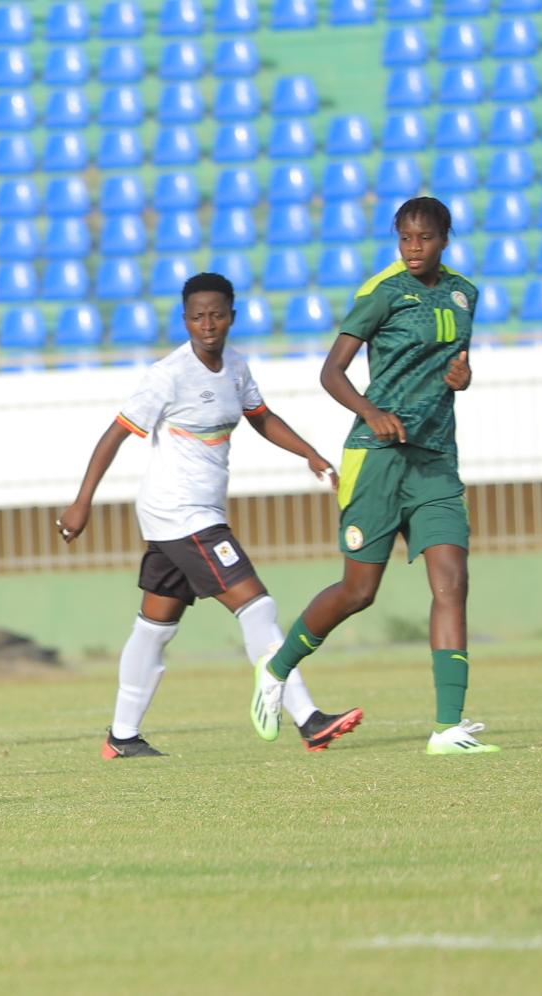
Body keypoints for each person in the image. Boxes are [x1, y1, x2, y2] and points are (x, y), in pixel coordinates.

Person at [58, 272, 362, 757]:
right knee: (256, 605)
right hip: (183, 514)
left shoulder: (236, 367)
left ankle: (121, 736)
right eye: (197, 316)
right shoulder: (169, 374)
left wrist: (310, 454)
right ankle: (307, 718)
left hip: (186, 517)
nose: (208, 324)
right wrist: (82, 501)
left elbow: (261, 417)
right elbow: (115, 433)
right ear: (185, 320)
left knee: (155, 626)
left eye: (217, 314)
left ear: (231, 317)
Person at [250, 197, 496, 755]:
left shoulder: (464, 294)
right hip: (377, 458)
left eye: (424, 238)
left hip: (434, 459)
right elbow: (330, 372)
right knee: (359, 591)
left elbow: (454, 368)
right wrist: (370, 411)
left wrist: (462, 377)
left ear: (445, 239)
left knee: (452, 584)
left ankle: (448, 728)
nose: (413, 248)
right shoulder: (381, 292)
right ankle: (277, 668)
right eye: (405, 237)